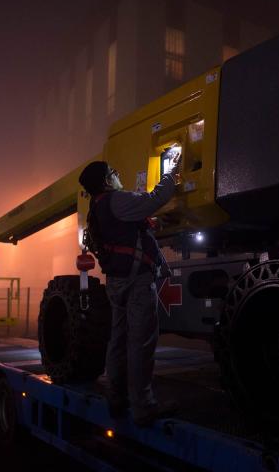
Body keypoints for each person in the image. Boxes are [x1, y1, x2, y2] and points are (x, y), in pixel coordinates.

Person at [78, 153, 180, 426]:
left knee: (118, 340)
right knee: (140, 342)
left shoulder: (98, 207)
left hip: (117, 282)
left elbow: (128, 230)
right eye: (113, 172)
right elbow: (154, 200)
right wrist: (171, 173)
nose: (118, 175)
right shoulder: (117, 200)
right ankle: (143, 407)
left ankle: (116, 398)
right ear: (106, 180)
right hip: (136, 282)